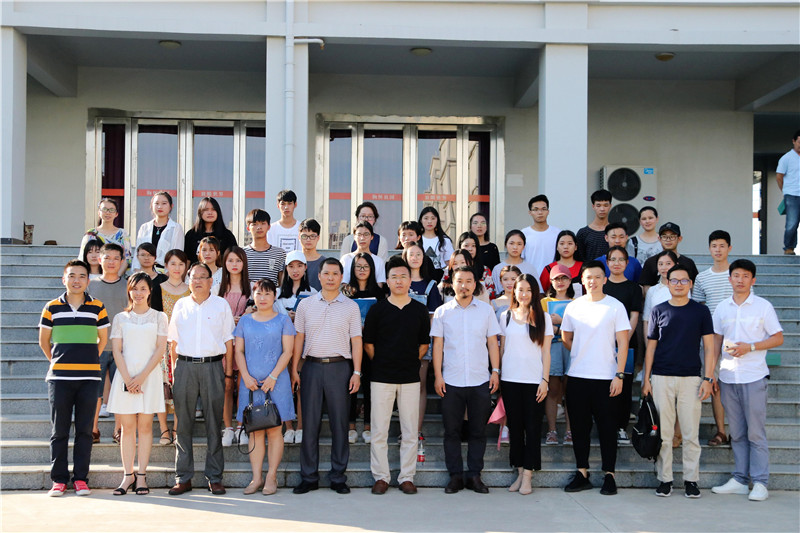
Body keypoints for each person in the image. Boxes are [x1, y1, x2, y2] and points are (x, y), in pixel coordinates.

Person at [711, 259, 784, 502]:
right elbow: (715, 343)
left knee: (756, 433)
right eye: (736, 275)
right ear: (729, 279)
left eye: (745, 276)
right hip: (728, 377)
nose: (740, 280)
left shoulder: (763, 306)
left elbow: (778, 338)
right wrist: (710, 374)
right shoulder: (722, 308)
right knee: (738, 432)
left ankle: (760, 482)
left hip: (754, 376)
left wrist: (750, 347)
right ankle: (741, 480)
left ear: (753, 280)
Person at [641, 265, 715, 499]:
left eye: (684, 281)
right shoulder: (659, 310)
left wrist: (708, 378)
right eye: (674, 280)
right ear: (668, 283)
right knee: (663, 434)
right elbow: (651, 348)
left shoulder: (701, 311)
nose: (679, 284)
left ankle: (691, 480)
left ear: (691, 284)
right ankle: (665, 479)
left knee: (691, 433)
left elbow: (710, 348)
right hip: (661, 377)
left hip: (691, 378)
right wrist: (646, 379)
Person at [290, 258, 363, 495]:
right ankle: (308, 477)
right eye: (326, 273)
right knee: (309, 424)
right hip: (311, 367)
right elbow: (299, 338)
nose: (330, 278)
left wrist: (357, 372)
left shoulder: (351, 307)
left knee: (340, 425)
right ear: (319, 276)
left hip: (340, 368)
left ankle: (338, 477)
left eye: (335, 273)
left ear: (341, 277)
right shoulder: (305, 305)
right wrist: (294, 369)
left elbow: (356, 341)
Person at [39, 260, 110, 497]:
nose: (76, 280)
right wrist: (58, 361)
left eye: (81, 276)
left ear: (88, 280)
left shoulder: (97, 307)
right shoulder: (51, 307)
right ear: (64, 279)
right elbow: (44, 341)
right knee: (59, 431)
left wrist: (88, 360)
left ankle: (80, 479)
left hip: (89, 379)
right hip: (59, 379)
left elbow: (103, 340)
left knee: (84, 431)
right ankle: (58, 480)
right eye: (72, 276)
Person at [561, 261, 631, 496]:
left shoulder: (615, 307)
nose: (592, 281)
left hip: (606, 377)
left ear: (605, 279)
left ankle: (609, 474)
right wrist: (583, 353)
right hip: (578, 376)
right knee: (579, 428)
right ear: (582, 280)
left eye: (597, 277)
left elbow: (623, 343)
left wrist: (619, 374)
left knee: (607, 428)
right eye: (588, 277)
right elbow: (566, 338)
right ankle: (582, 473)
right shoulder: (574, 307)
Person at [364, 257, 431, 495]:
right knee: (379, 430)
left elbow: (423, 345)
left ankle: (407, 477)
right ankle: (381, 477)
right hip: (381, 377)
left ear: (410, 280)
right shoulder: (377, 310)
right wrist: (383, 362)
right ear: (388, 281)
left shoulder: (419, 310)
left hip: (410, 377)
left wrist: (409, 361)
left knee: (410, 431)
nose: (399, 281)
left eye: (403, 276)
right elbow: (369, 344)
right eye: (394, 277)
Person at [432, 266, 501, 494]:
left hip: (480, 379)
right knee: (451, 431)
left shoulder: (486, 311)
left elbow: (492, 342)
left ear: (475, 284)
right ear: (452, 283)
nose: (464, 285)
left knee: (478, 431)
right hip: (451, 380)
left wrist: (495, 371)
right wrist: (438, 376)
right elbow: (438, 346)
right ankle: (455, 476)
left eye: (469, 281)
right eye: (459, 281)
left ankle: (474, 475)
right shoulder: (442, 312)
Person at [167, 262, 235, 496]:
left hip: (212, 367)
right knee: (183, 425)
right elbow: (173, 342)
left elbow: (228, 341)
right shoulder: (181, 305)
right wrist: (174, 372)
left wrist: (228, 373)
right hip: (184, 367)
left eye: (201, 277)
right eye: (193, 277)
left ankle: (214, 477)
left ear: (210, 281)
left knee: (214, 424)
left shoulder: (221, 305)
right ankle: (183, 478)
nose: (196, 281)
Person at [107, 273, 168, 496]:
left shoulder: (159, 317)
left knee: (145, 427)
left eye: (143, 288)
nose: (139, 293)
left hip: (149, 377)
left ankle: (141, 475)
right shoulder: (120, 318)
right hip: (125, 376)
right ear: (129, 291)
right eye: (135, 288)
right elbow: (117, 350)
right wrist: (128, 379)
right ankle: (127, 475)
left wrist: (141, 378)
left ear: (150, 291)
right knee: (127, 428)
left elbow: (160, 349)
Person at [234, 279, 296, 495]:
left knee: (274, 430)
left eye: (267, 294)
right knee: (255, 431)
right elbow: (238, 351)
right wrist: (245, 376)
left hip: (276, 382)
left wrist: (273, 376)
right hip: (250, 383)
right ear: (253, 295)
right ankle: (256, 477)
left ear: (274, 297)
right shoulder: (244, 321)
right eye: (259, 293)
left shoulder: (283, 320)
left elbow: (288, 351)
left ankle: (271, 476)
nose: (262, 298)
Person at [498, 274, 552, 495]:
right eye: (520, 289)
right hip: (510, 380)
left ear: (535, 292)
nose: (524, 294)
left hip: (534, 382)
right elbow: (502, 349)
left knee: (532, 428)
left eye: (528, 290)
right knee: (515, 429)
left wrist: (545, 380)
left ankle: (528, 474)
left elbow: (546, 352)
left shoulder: (543, 318)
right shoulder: (505, 316)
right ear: (514, 291)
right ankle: (519, 471)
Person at [693, 230, 734, 446]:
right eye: (714, 246)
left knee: (735, 387)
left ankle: (738, 431)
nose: (718, 250)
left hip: (735, 339)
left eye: (722, 246)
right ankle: (721, 432)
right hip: (710, 339)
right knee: (714, 384)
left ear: (729, 248)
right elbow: (699, 308)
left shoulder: (737, 274)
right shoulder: (702, 277)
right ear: (709, 249)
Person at [342, 252, 385, 443]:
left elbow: (384, 318)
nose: (361, 270)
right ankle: (350, 426)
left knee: (370, 385)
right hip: (348, 344)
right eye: (358, 266)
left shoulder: (379, 292)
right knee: (349, 385)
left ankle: (368, 426)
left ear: (372, 269)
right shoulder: (345, 292)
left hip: (371, 344)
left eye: (365, 267)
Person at [403, 242, 443, 442]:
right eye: (411, 254)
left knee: (419, 385)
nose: (415, 258)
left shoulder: (430, 286)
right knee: (401, 387)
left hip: (421, 343)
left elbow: (434, 317)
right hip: (399, 343)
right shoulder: (399, 281)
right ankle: (404, 430)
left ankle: (416, 431)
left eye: (419, 254)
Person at [602, 246, 642, 445]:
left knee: (623, 386)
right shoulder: (601, 286)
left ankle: (621, 427)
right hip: (602, 344)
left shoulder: (634, 288)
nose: (616, 263)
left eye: (621, 260)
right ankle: (605, 426)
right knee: (603, 384)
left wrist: (622, 340)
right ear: (607, 263)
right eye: (612, 259)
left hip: (627, 343)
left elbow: (634, 316)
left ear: (627, 263)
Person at [275, 250, 315, 444]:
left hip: (303, 348)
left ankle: (300, 427)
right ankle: (288, 426)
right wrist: (286, 318)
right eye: (291, 266)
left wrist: (300, 318)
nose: (295, 270)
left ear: (305, 268)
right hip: (281, 348)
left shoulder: (313, 293)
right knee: (283, 387)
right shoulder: (277, 294)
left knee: (300, 387)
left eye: (299, 266)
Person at [90, 243, 128, 445]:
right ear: (99, 260)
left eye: (116, 258)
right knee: (94, 391)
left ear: (122, 261)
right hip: (96, 346)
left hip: (122, 347)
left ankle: (118, 429)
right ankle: (93, 429)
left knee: (120, 391)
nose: (111, 262)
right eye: (107, 258)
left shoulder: (128, 285)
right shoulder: (90, 285)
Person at [218, 246, 252, 448]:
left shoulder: (252, 287)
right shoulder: (218, 288)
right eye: (230, 260)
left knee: (243, 386)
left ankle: (241, 426)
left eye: (238, 260)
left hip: (245, 343)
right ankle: (228, 428)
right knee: (227, 386)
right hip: (224, 343)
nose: (234, 264)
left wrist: (248, 314)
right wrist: (230, 319)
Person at [158, 249, 190, 441]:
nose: (177, 268)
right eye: (173, 264)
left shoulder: (190, 289)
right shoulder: (157, 287)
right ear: (166, 266)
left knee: (181, 387)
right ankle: (163, 428)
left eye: (181, 264)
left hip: (184, 344)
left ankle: (177, 427)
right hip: (162, 344)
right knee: (161, 387)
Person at [541, 264, 574, 446]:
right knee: (552, 390)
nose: (560, 282)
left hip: (571, 347)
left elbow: (581, 329)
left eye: (564, 278)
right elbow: (538, 326)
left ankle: (570, 431)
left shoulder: (577, 303)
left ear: (570, 281)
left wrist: (561, 324)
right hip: (551, 347)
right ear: (551, 282)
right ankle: (551, 430)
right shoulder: (543, 302)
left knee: (571, 391)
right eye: (556, 279)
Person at [131, 191, 184, 271]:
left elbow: (177, 255)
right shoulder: (144, 227)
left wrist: (168, 275)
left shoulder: (176, 228)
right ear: (151, 206)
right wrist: (137, 272)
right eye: (156, 203)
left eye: (164, 203)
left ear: (171, 206)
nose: (160, 207)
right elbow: (137, 254)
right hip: (144, 272)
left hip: (165, 272)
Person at [79, 197, 131, 277]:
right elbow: (82, 257)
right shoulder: (90, 234)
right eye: (104, 209)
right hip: (94, 277)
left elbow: (127, 259)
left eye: (111, 210)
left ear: (116, 214)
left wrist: (115, 278)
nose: (108, 212)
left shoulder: (123, 234)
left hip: (117, 277)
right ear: (99, 212)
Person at [639, 222, 698, 289]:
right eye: (664, 237)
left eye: (672, 237)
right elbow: (646, 287)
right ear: (659, 239)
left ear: (679, 239)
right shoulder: (650, 262)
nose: (668, 240)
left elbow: (694, 286)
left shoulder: (688, 263)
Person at [521, 195, 561, 291]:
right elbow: (520, 259)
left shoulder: (557, 233)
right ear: (530, 212)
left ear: (548, 211)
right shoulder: (524, 234)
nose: (540, 212)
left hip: (552, 282)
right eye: (536, 209)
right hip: (529, 282)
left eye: (543, 209)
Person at [183, 197, 237, 264]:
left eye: (213, 209)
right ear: (200, 212)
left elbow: (234, 257)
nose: (210, 213)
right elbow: (187, 260)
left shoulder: (227, 235)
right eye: (206, 210)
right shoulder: (191, 235)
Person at [244, 208, 286, 285]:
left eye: (263, 223)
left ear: (269, 226)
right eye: (254, 224)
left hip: (272, 292)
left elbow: (282, 283)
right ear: (248, 228)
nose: (259, 227)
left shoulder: (279, 253)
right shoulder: (242, 253)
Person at [643, 251, 678, 336]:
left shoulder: (682, 288)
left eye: (668, 263)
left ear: (676, 265)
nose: (664, 267)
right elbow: (646, 320)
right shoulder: (652, 290)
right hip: (657, 337)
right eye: (660, 264)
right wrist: (648, 343)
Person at [776, 130, 800, 255]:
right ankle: (789, 248)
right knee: (792, 223)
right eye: (799, 142)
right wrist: (785, 191)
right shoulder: (786, 158)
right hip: (792, 195)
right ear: (794, 141)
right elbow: (779, 177)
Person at [540, 230, 583, 294]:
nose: (566, 247)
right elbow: (541, 292)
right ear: (557, 247)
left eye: (570, 243)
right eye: (562, 244)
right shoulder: (549, 269)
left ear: (575, 247)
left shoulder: (584, 268)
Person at [575, 190, 612, 263]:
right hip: (588, 269)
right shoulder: (583, 233)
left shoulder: (615, 232)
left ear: (610, 206)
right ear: (593, 206)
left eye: (605, 205)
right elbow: (578, 259)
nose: (602, 209)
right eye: (598, 205)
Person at [457, 231, 496, 299]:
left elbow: (491, 294)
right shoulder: (452, 268)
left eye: (473, 246)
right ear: (460, 247)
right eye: (466, 246)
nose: (470, 249)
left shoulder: (485, 270)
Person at [419, 206, 455, 275]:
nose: (429, 221)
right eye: (426, 218)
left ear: (437, 220)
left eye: (433, 218)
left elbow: (449, 263)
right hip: (421, 275)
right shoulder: (417, 239)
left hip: (440, 276)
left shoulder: (445, 241)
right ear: (421, 220)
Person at [299, 218, 326, 291]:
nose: (308, 240)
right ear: (299, 237)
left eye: (312, 236)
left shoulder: (325, 263)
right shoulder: (292, 261)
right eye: (304, 236)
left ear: (318, 238)